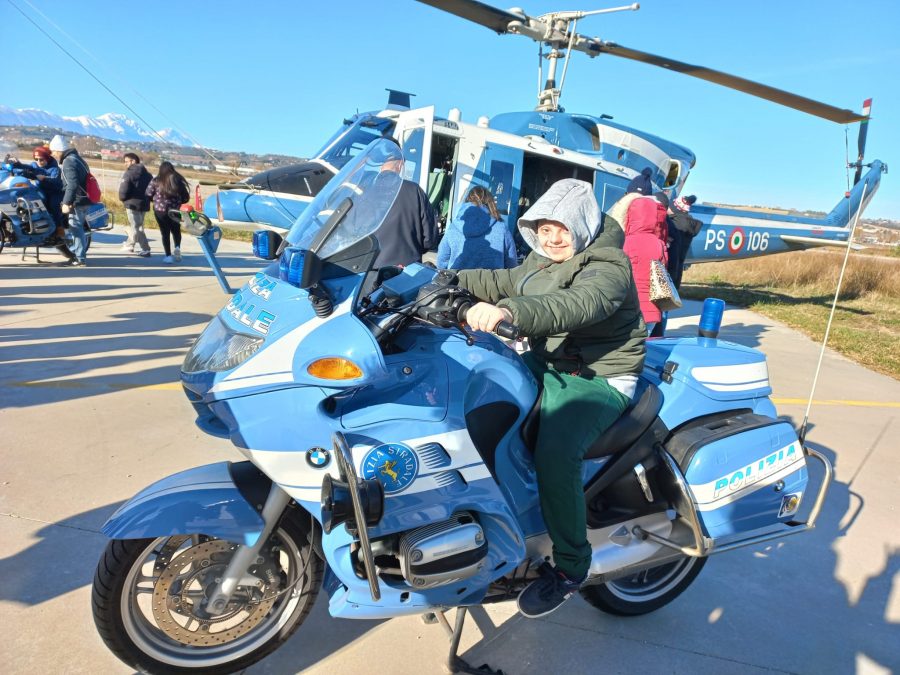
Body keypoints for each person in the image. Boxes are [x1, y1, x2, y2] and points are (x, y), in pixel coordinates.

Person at [457, 179, 646, 618]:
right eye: (543, 228)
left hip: (596, 378)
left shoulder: (608, 266)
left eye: (561, 229)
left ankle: (571, 567)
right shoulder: (541, 259)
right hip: (549, 363)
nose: (552, 238)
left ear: (581, 225)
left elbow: (576, 304)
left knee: (554, 454)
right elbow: (503, 278)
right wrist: (439, 276)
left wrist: (508, 312)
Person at [371, 153, 437, 268]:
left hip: (369, 271)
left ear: (381, 165)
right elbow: (429, 239)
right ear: (401, 164)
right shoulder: (415, 190)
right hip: (407, 271)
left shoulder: (364, 192)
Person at [436, 186, 517, 270]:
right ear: (491, 203)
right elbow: (512, 265)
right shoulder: (502, 228)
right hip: (491, 282)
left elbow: (442, 261)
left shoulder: (454, 226)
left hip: (458, 281)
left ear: (467, 200)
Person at [622, 192, 669, 335]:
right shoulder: (659, 244)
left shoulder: (625, 242)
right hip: (652, 310)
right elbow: (663, 270)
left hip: (630, 308)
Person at [51, 134, 91, 267]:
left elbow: (72, 184)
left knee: (75, 227)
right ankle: (78, 256)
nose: (53, 155)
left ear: (58, 150)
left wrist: (66, 202)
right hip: (84, 198)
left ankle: (79, 258)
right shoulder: (77, 158)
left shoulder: (68, 161)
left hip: (77, 200)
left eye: (53, 152)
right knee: (76, 227)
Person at [146, 161, 190, 264]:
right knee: (176, 231)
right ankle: (177, 247)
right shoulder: (178, 181)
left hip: (160, 211)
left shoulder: (156, 181)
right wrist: (178, 202)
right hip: (175, 211)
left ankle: (168, 256)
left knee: (165, 233)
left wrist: (156, 200)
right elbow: (186, 198)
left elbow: (148, 193)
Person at [118, 153, 153, 257]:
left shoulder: (129, 173)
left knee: (136, 227)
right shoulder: (148, 175)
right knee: (138, 225)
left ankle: (145, 248)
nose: (125, 164)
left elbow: (124, 189)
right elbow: (151, 190)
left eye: (126, 161)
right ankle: (130, 244)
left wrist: (122, 198)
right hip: (144, 204)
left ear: (133, 161)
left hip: (132, 204)